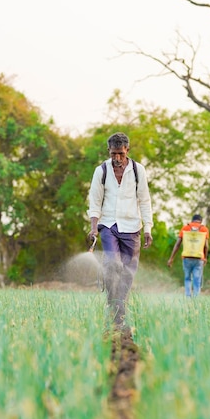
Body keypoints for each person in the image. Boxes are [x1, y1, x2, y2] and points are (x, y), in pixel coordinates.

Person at [88, 132, 153, 328]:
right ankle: (111, 303)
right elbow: (95, 201)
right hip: (108, 224)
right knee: (112, 264)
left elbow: (144, 199)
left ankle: (120, 308)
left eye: (120, 154)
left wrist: (148, 228)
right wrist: (93, 228)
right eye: (113, 154)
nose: (117, 158)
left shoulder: (137, 170)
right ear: (108, 151)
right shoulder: (101, 171)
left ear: (127, 151)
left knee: (128, 271)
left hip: (132, 226)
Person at [167, 213, 209, 297]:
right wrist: (205, 258)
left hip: (186, 257)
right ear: (200, 221)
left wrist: (171, 258)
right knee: (197, 279)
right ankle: (196, 298)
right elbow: (206, 246)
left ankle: (188, 297)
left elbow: (178, 244)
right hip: (199, 258)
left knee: (187, 278)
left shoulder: (185, 228)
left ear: (192, 220)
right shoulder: (204, 229)